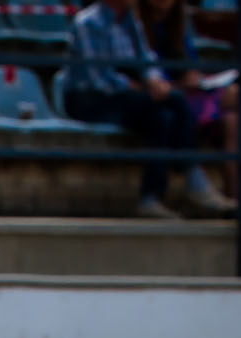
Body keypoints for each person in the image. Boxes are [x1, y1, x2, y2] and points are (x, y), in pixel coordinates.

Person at [62, 0, 197, 219]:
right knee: (166, 104)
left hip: (122, 96)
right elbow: (98, 79)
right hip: (88, 100)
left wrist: (155, 81)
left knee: (163, 114)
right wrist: (141, 89)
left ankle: (151, 198)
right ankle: (191, 177)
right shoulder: (88, 22)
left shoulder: (131, 22)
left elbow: (147, 60)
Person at [134, 0, 234, 212]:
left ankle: (239, 204)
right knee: (168, 112)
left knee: (234, 118)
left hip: (178, 94)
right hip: (158, 96)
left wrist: (191, 77)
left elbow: (185, 64)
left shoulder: (178, 25)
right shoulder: (134, 23)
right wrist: (169, 84)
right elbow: (140, 72)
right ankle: (193, 183)